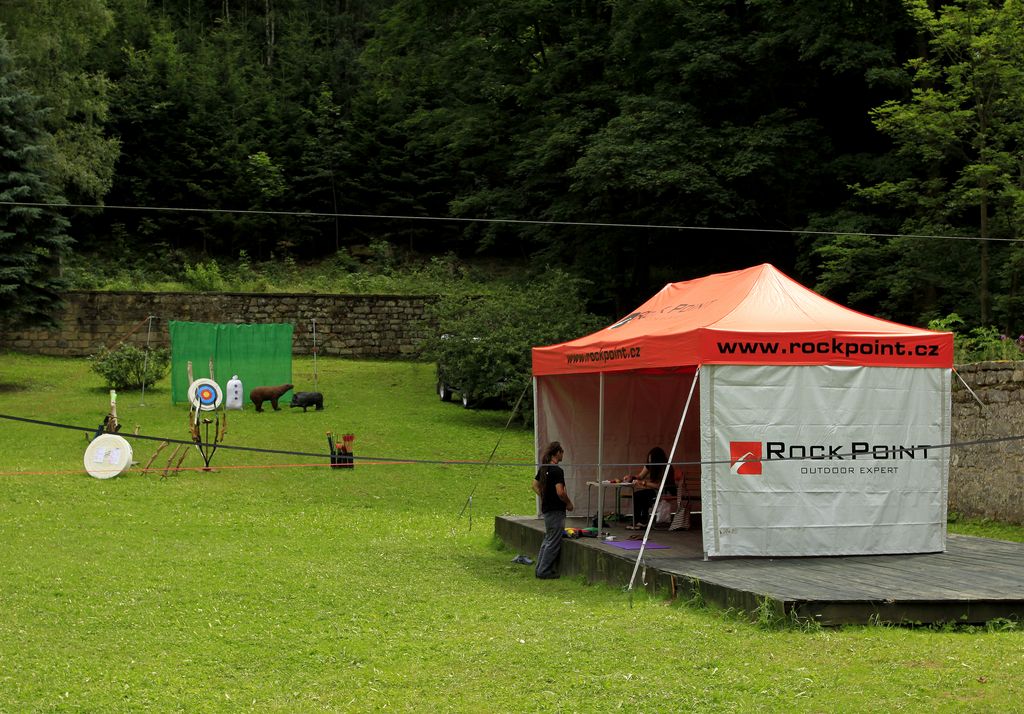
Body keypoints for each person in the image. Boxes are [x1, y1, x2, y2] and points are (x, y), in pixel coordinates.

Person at [531, 441, 573, 579]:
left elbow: (534, 485)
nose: (563, 455)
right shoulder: (557, 470)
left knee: (548, 540)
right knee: (553, 542)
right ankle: (544, 571)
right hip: (556, 510)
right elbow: (560, 492)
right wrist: (568, 503)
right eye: (562, 452)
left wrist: (544, 496)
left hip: (547, 509)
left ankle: (539, 568)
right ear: (557, 453)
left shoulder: (544, 468)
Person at [624, 446, 676, 530]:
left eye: (651, 459)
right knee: (639, 495)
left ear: (657, 459)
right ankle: (640, 520)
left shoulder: (666, 467)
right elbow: (640, 476)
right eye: (649, 459)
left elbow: (659, 485)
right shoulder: (650, 465)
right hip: (655, 490)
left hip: (666, 490)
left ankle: (640, 521)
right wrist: (632, 477)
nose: (650, 461)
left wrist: (644, 483)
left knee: (642, 495)